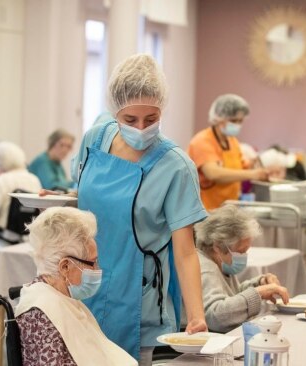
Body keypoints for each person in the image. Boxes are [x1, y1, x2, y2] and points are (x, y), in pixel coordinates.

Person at [69, 54, 208, 365]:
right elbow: (83, 195)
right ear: (115, 111)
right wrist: (64, 195)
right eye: (130, 120)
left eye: (152, 119)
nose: (142, 129)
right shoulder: (95, 139)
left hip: (139, 299)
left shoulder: (176, 167)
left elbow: (185, 251)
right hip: (84, 286)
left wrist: (196, 316)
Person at [16, 207, 137, 365]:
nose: (98, 270)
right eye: (92, 263)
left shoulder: (62, 297)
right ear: (65, 267)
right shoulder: (41, 315)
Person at [194, 205, 289, 333]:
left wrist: (258, 284)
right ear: (217, 246)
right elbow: (216, 316)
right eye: (241, 251)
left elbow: (231, 295)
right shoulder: (206, 267)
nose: (244, 257)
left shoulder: (219, 261)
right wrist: (258, 293)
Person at [187, 94, 274, 210]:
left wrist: (252, 164)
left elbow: (239, 167)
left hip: (227, 208)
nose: (237, 125)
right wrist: (253, 174)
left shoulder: (232, 141)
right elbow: (213, 173)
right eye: (233, 120)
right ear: (218, 118)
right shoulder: (202, 141)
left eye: (240, 121)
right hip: (205, 210)